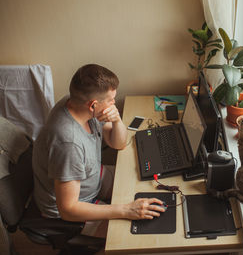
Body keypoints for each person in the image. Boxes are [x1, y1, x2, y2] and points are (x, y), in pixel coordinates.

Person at [32, 64, 165, 237]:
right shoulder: (68, 143)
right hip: (74, 206)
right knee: (130, 235)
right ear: (93, 105)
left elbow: (118, 144)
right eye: (111, 100)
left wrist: (117, 120)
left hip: (92, 177)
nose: (113, 103)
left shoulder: (76, 103)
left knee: (145, 183)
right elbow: (68, 209)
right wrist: (125, 210)